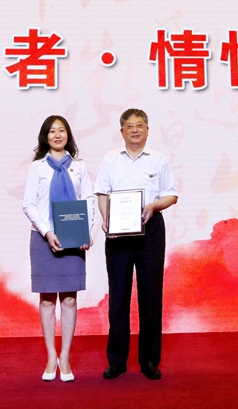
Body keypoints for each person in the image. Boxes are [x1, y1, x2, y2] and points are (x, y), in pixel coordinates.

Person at [94, 108, 178, 380]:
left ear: (147, 130)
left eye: (139, 125)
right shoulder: (110, 159)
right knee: (118, 297)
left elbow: (171, 195)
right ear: (122, 131)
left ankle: (149, 360)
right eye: (129, 126)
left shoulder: (159, 160)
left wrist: (153, 206)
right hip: (118, 234)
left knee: (150, 296)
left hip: (150, 231)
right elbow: (102, 193)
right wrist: (107, 220)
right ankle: (117, 361)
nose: (134, 130)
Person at [23, 115, 94, 382]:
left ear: (68, 135)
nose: (57, 135)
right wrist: (47, 231)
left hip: (73, 239)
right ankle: (51, 356)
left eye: (61, 130)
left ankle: (65, 356)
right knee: (46, 299)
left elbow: (88, 200)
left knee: (69, 299)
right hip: (44, 239)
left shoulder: (79, 167)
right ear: (45, 136)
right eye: (52, 131)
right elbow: (28, 204)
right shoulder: (37, 168)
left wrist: (85, 231)